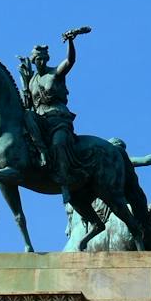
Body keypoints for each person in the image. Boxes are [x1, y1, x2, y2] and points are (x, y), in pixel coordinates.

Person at [19, 26, 92, 193]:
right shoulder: (32, 81)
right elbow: (28, 105)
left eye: (44, 59)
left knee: (59, 143)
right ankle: (42, 155)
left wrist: (71, 42)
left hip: (58, 119)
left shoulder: (55, 73)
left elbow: (70, 61)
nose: (41, 62)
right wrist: (24, 83)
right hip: (40, 121)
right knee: (27, 117)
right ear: (34, 61)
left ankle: (65, 180)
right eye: (38, 59)